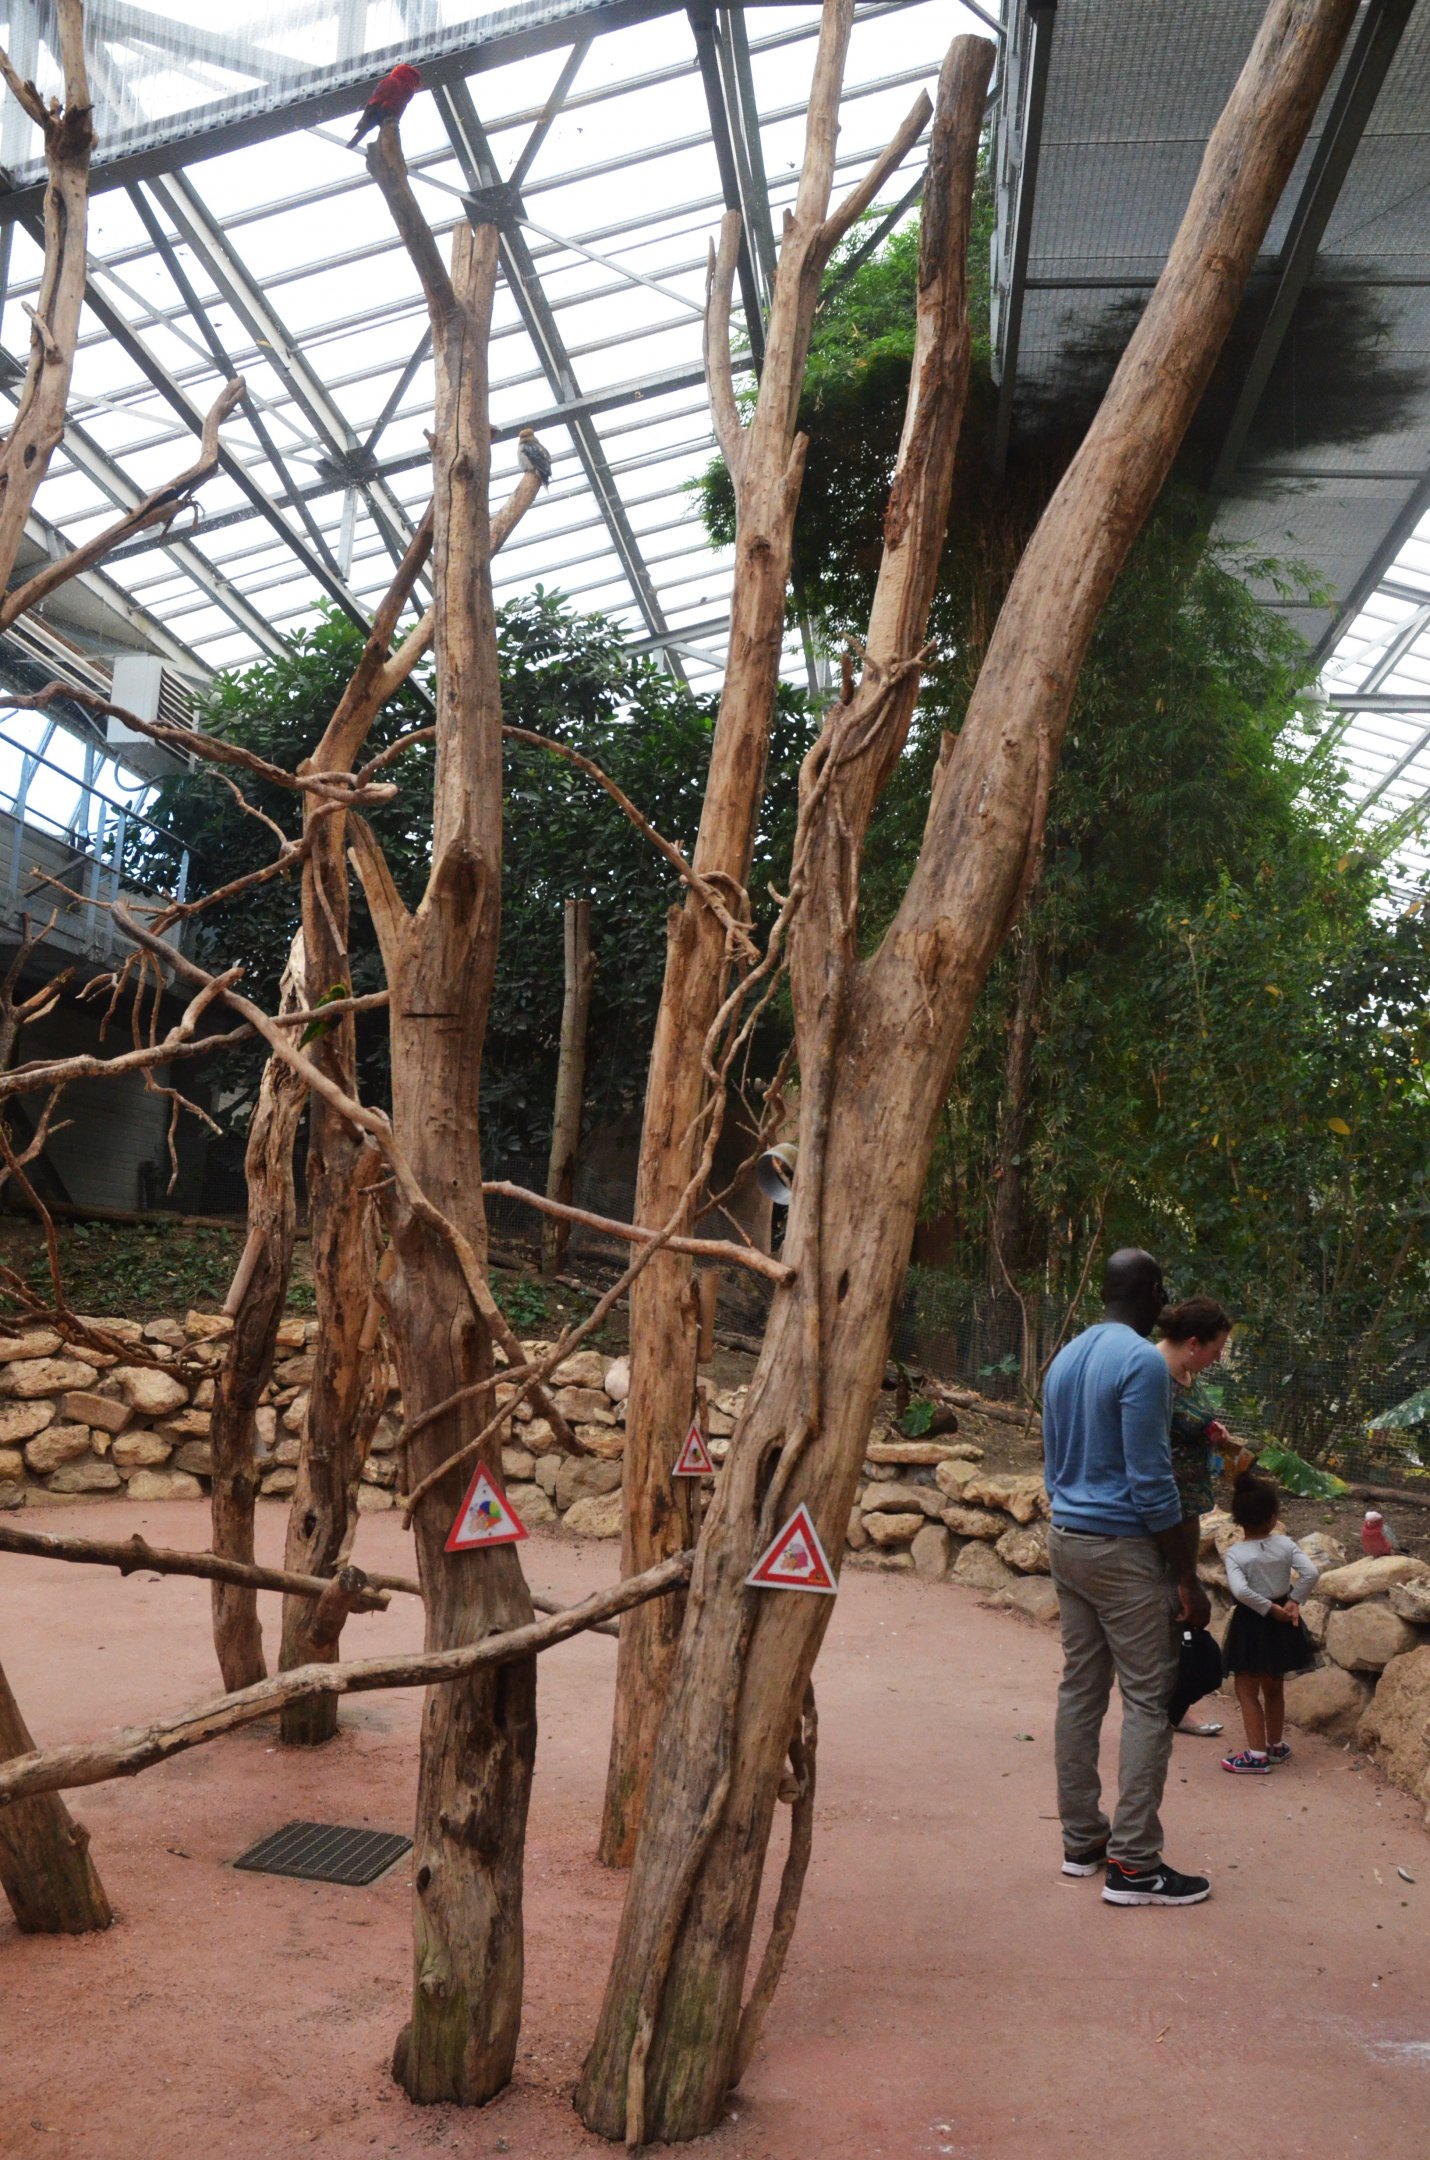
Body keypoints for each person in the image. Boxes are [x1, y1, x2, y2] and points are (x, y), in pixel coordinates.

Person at [1043, 1248, 1212, 1907]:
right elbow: (1152, 1482)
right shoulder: (1141, 1362)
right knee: (1147, 1699)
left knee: (1081, 1689)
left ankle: (1083, 1840)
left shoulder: (1067, 1354)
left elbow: (1052, 1456)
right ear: (1145, 1290)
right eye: (1161, 1285)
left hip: (1068, 1541)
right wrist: (1185, 1578)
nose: (1165, 1298)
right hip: (1121, 1551)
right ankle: (1136, 1866)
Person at [1156, 1296, 1234, 1737]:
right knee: (1173, 1603)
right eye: (1216, 1348)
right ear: (1191, 1342)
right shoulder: (1153, 1376)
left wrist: (1211, 1432)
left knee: (1176, 1608)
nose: (1219, 1356)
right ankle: (1162, 1707)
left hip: (1189, 1507)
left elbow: (1187, 1423)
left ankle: (1173, 1705)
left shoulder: (1187, 1373)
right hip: (1166, 1511)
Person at [1220, 1469, 1319, 1774]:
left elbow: (1239, 1591)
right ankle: (1275, 1746)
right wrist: (1292, 1602)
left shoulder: (1236, 1553)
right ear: (1274, 1516)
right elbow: (1311, 1573)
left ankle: (1256, 1755)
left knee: (1247, 1690)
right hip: (1280, 1622)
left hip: (1252, 1623)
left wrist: (1266, 1608)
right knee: (1274, 1686)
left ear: (1237, 1519)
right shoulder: (1286, 1545)